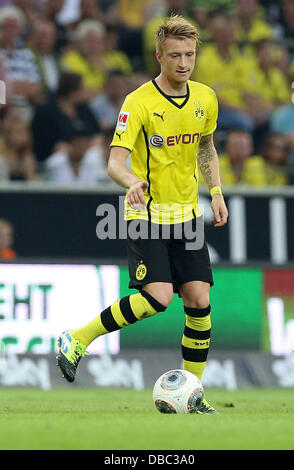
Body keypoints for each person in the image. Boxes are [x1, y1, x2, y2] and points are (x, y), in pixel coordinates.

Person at [56, 15, 228, 414]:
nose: (183, 63)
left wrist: (216, 191)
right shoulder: (138, 102)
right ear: (158, 56)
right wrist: (130, 181)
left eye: (189, 55)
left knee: (200, 301)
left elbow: (206, 147)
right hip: (146, 212)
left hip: (187, 214)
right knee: (158, 298)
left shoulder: (205, 98)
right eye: (175, 55)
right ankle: (78, 337)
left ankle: (194, 394)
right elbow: (114, 161)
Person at [31, 71, 100, 162]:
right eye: (82, 88)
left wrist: (95, 141)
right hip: (58, 157)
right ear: (72, 92)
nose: (86, 91)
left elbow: (97, 132)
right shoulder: (45, 111)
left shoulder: (84, 109)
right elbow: (42, 141)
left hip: (87, 155)